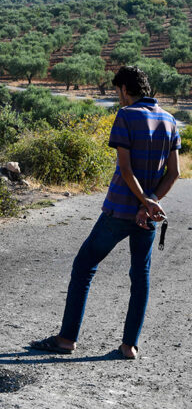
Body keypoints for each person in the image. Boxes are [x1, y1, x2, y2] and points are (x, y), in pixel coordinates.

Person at [31, 65, 181, 360]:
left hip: (118, 211)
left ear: (125, 89)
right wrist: (149, 203)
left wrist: (140, 201)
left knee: (84, 265)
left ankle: (66, 339)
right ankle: (129, 346)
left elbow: (125, 170)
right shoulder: (170, 120)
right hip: (146, 216)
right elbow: (174, 172)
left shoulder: (126, 116)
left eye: (118, 91)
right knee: (141, 276)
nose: (119, 97)